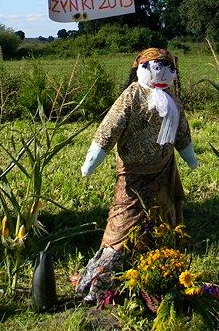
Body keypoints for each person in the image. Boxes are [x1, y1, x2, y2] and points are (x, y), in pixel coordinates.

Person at [75, 47, 198, 302]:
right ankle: (101, 283)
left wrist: (190, 158)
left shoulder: (173, 101)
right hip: (132, 178)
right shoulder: (131, 97)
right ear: (140, 69)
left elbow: (182, 134)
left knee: (162, 226)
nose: (162, 73)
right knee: (121, 228)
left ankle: (157, 276)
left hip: (163, 174)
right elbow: (109, 129)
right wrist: (92, 161)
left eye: (168, 68)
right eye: (156, 67)